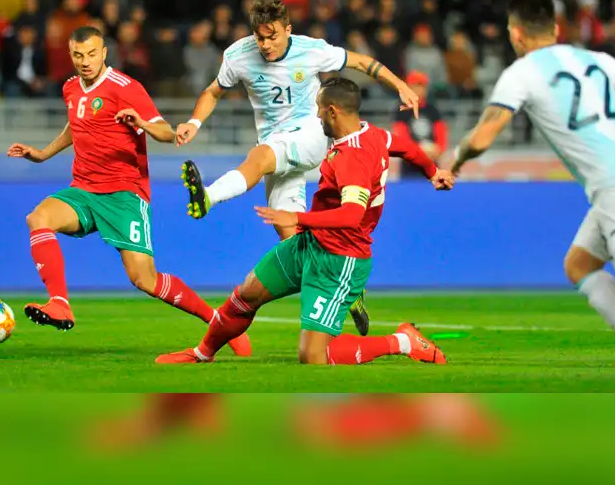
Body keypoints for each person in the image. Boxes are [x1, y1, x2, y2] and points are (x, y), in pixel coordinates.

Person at [450, 0, 615, 393]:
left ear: (516, 34)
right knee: (579, 265)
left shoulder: (522, 73)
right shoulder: (593, 59)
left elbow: (482, 138)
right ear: (555, 29)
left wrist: (455, 159)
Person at [157, 77, 453, 365]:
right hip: (310, 244)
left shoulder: (352, 158)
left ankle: (403, 342)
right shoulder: (372, 134)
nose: (317, 115)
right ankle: (202, 354)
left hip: (339, 259)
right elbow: (405, 147)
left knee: (313, 356)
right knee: (246, 295)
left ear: (332, 111)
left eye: (319, 108)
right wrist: (432, 172)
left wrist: (296, 217)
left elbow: (352, 215)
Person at [174, 0, 420, 334]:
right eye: (260, 37)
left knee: (260, 156)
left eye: (272, 36)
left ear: (287, 30)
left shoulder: (311, 50)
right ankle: (349, 290)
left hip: (310, 135)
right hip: (277, 148)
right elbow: (213, 92)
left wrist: (401, 86)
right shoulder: (237, 55)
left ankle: (208, 197)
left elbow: (363, 62)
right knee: (294, 241)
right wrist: (194, 122)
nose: (265, 44)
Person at [5, 25, 250, 356]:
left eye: (92, 54)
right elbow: (75, 126)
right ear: (71, 55)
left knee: (144, 279)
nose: (85, 61)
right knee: (39, 218)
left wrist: (142, 124)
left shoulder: (126, 88)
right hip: (84, 190)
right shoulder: (70, 87)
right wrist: (42, 154)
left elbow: (167, 132)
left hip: (124, 195)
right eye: (78, 55)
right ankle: (60, 303)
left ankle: (216, 320)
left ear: (104, 53)